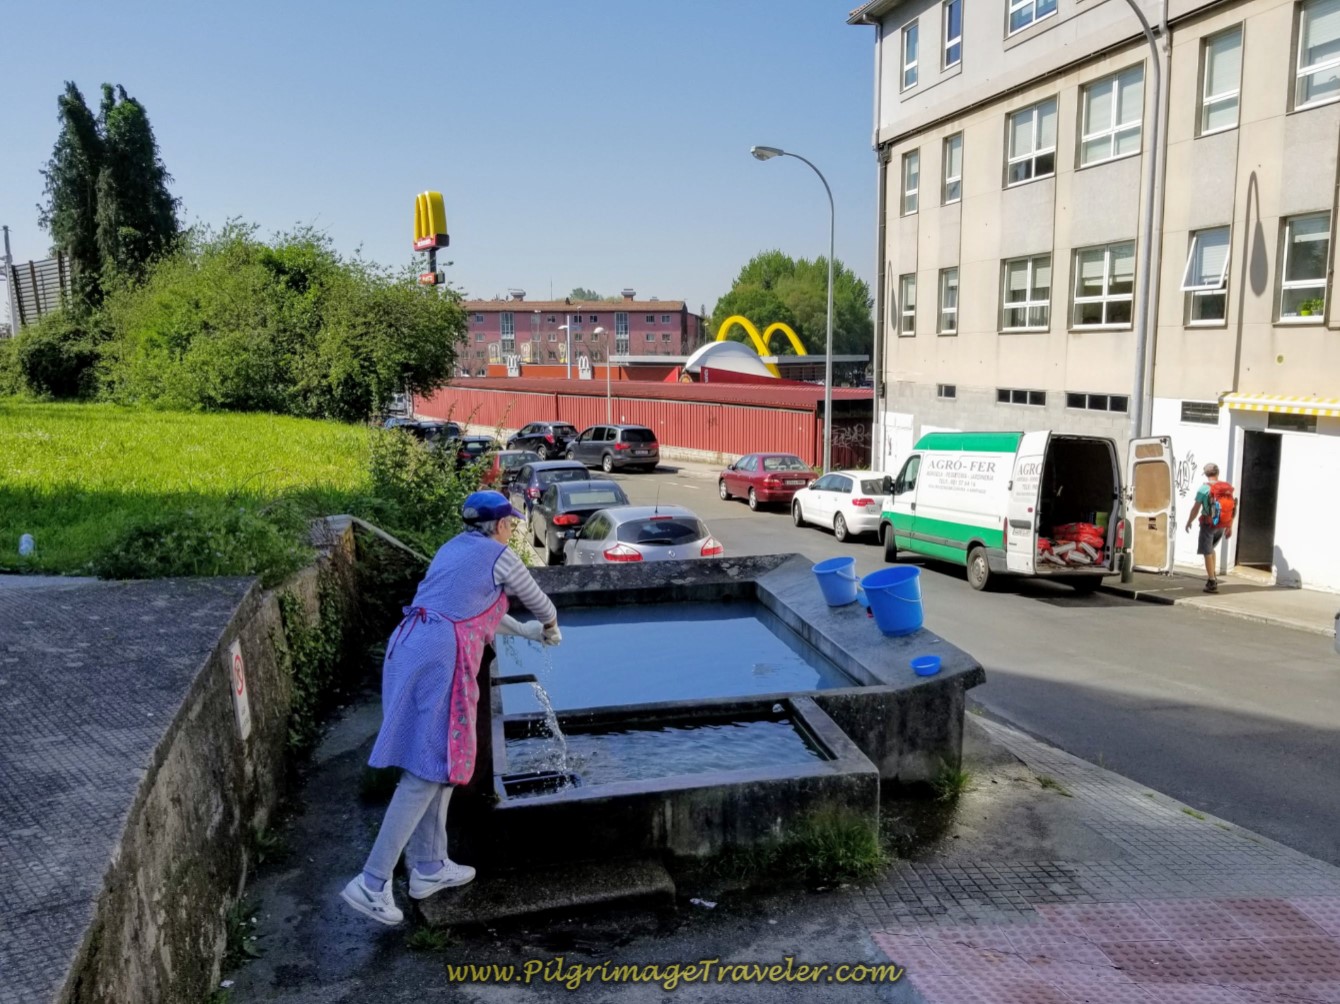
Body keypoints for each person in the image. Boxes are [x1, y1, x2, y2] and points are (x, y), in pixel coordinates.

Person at [341, 490, 561, 925]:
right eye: (511, 523)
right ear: (500, 526)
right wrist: (551, 625)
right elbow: (541, 601)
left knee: (438, 762)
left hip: (412, 645)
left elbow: (477, 612)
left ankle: (429, 866)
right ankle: (371, 881)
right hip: (439, 655)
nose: (513, 528)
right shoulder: (501, 557)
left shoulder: (453, 549)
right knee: (424, 771)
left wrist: (531, 636)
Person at [1184, 462, 1234, 593]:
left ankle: (1212, 581)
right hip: (1222, 524)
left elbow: (1196, 508)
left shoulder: (1203, 489)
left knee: (1207, 552)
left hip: (1208, 524)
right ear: (1217, 473)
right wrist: (1230, 526)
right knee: (1211, 549)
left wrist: (1189, 521)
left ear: (1206, 474)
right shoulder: (1226, 488)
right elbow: (1232, 508)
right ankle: (1213, 575)